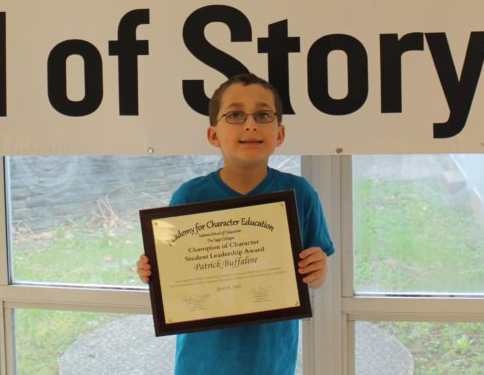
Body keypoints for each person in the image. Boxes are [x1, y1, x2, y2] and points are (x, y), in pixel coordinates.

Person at [137, 73, 335, 375]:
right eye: (235, 114)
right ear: (213, 135)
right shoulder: (189, 196)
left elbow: (315, 279)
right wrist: (149, 271)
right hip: (200, 364)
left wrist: (318, 269)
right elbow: (168, 277)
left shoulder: (301, 193)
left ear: (279, 134)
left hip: (270, 362)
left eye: (263, 114)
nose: (251, 124)